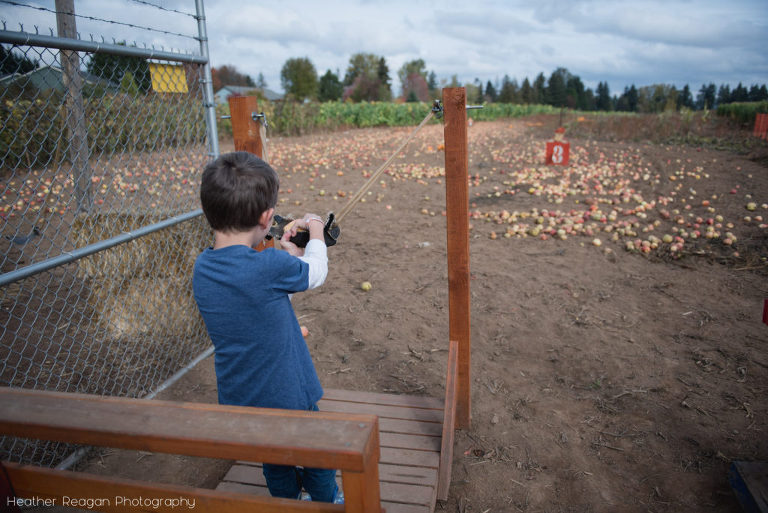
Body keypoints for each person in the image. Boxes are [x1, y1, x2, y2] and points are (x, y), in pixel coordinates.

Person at [192, 151, 342, 503]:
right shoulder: (269, 265)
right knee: (318, 451)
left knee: (274, 458)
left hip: (243, 394)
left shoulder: (203, 268)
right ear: (266, 217)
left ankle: (286, 503)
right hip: (286, 390)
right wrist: (315, 228)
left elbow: (258, 294)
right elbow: (316, 273)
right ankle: (327, 502)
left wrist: (288, 255)